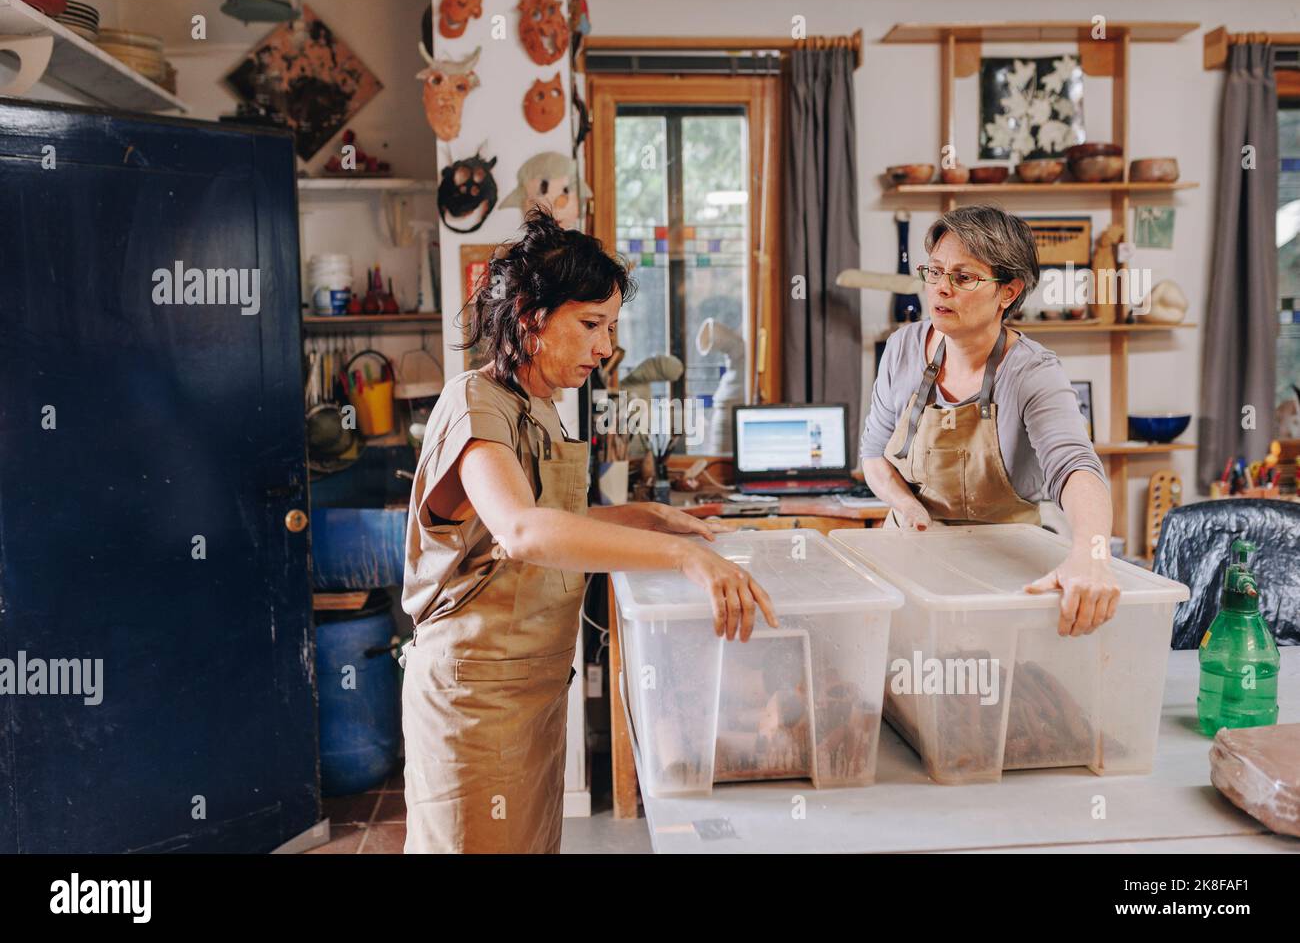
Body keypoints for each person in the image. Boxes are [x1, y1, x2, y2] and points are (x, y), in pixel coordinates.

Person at [400, 208, 778, 854]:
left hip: (533, 684)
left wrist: (648, 517)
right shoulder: (475, 402)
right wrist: (681, 560)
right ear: (529, 316)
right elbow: (522, 532)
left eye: (610, 327)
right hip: (477, 692)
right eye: (591, 325)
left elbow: (542, 529)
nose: (605, 348)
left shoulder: (536, 406)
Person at [860, 204, 1121, 636]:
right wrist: (906, 507)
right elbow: (874, 455)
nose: (941, 289)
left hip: (1003, 577)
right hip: (910, 563)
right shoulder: (902, 348)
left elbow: (1076, 467)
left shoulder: (1032, 372)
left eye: (963, 277)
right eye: (934, 271)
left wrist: (1091, 555)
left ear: (1008, 292)